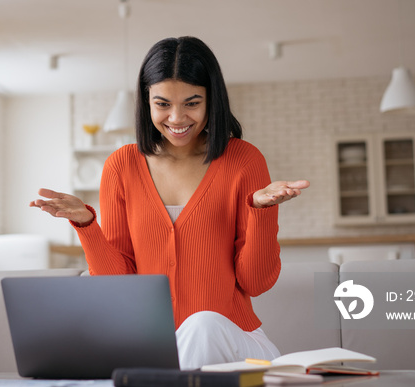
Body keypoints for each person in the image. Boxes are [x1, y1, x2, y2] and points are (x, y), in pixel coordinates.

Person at [30, 36, 309, 370]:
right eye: (162, 104)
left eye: (192, 103)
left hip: (235, 345)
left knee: (203, 325)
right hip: (157, 349)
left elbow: (256, 282)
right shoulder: (121, 166)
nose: (177, 118)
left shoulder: (244, 161)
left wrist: (262, 213)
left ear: (211, 100)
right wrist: (88, 227)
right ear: (146, 101)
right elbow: (120, 285)